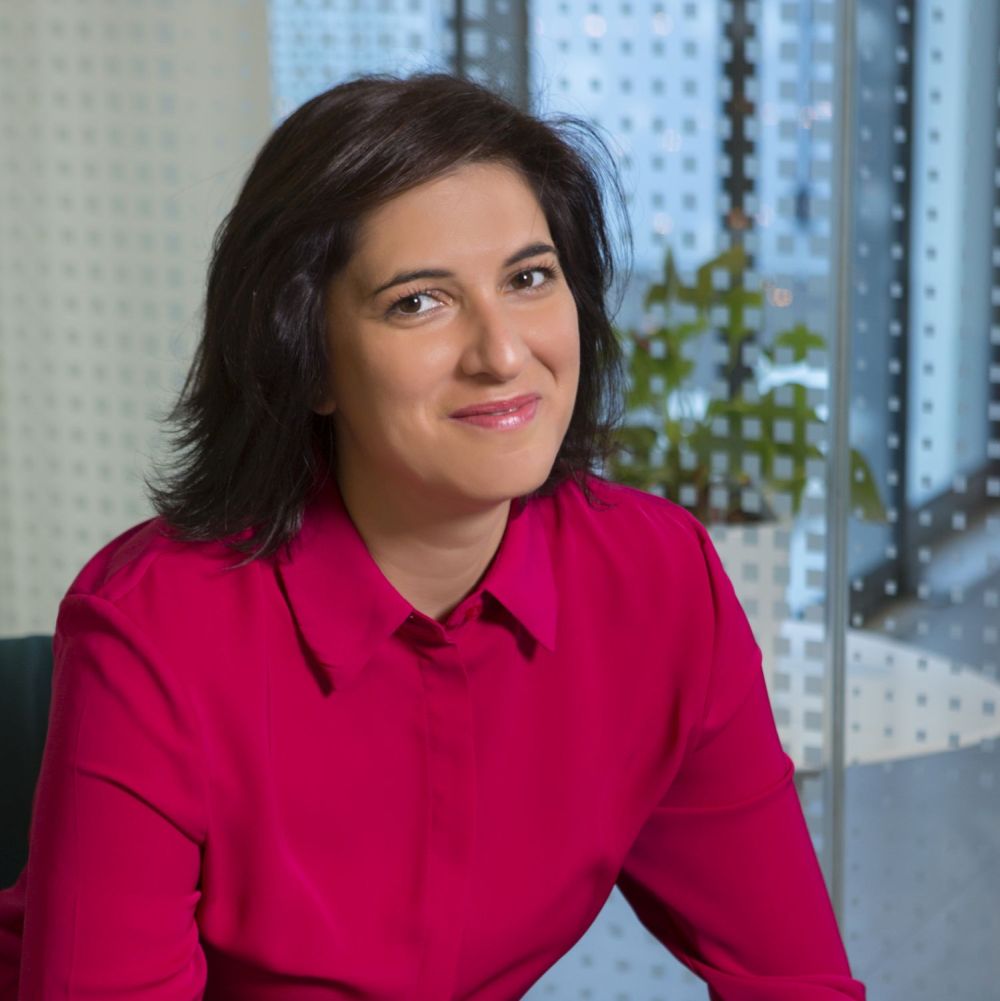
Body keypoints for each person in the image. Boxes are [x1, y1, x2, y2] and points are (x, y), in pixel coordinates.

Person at [0, 71, 866, 999]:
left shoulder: (659, 580)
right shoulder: (159, 626)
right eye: (419, 300)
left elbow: (795, 978)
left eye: (529, 278)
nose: (502, 353)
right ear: (308, 359)